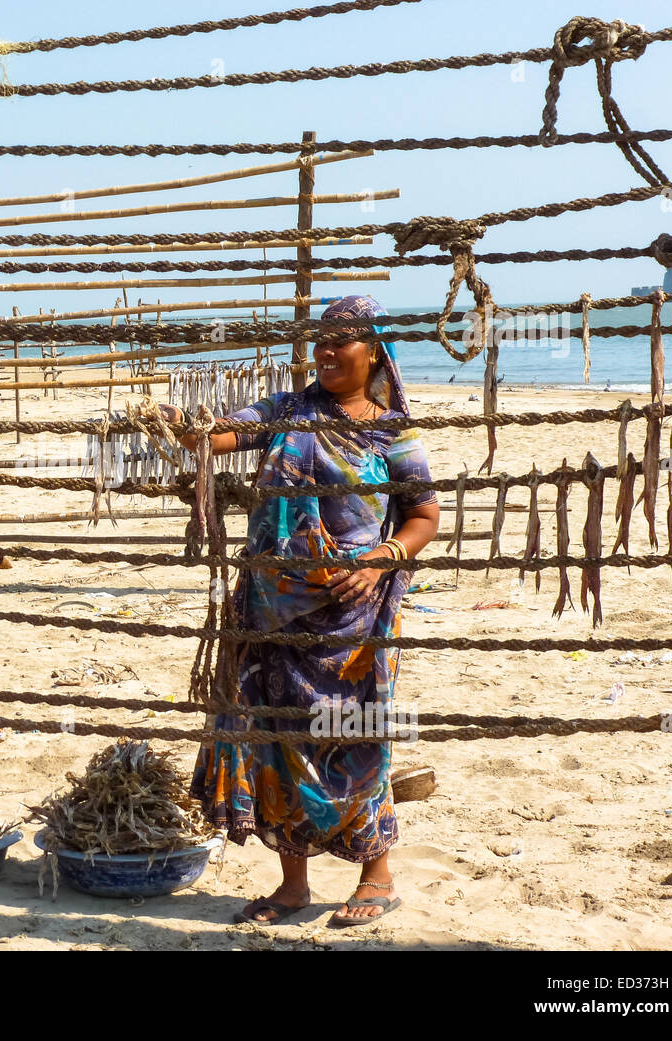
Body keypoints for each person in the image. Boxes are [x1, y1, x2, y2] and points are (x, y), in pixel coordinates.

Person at [161, 295, 439, 927]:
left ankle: (376, 872)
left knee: (356, 734)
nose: (328, 352)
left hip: (354, 617)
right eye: (321, 341)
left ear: (375, 351)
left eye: (342, 341)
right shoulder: (290, 410)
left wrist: (378, 560)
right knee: (281, 737)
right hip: (273, 612)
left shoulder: (395, 431)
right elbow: (227, 433)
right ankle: (293, 886)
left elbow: (424, 515)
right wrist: (186, 428)